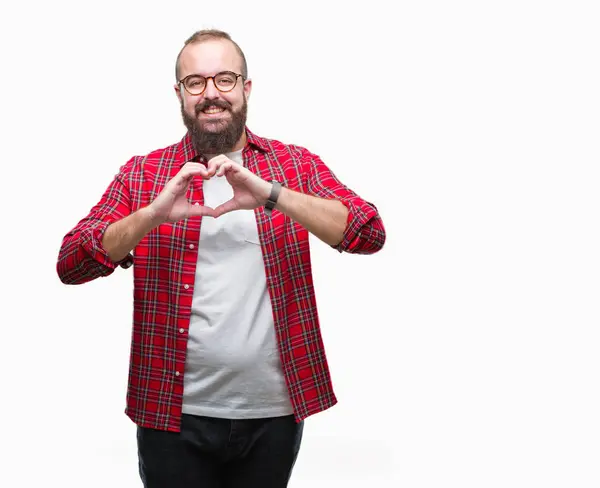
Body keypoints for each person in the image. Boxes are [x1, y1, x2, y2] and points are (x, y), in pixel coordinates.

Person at [56, 29, 386, 488]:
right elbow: (71, 262)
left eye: (225, 79)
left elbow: (367, 232)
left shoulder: (295, 166)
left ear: (246, 88)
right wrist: (152, 215)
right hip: (172, 416)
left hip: (273, 415)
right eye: (196, 82)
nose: (211, 93)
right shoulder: (144, 173)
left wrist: (273, 195)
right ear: (179, 94)